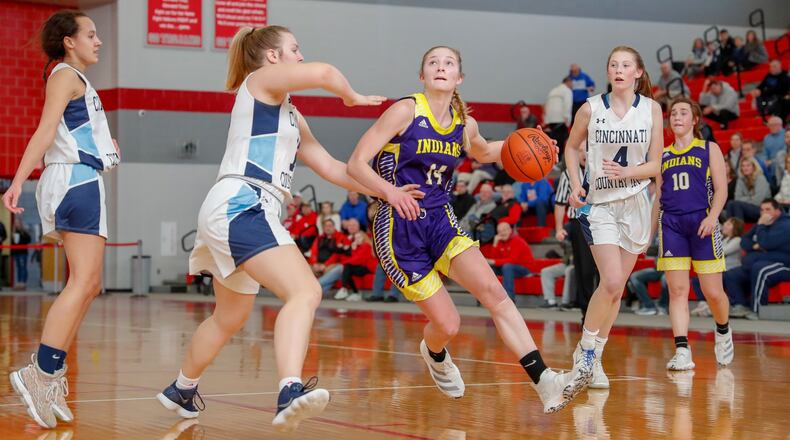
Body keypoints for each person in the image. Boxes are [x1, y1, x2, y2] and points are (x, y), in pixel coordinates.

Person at [153, 25, 422, 433]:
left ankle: (181, 389)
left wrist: (385, 191)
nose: (300, 56)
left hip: (234, 207)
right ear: (273, 57)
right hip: (244, 202)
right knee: (305, 290)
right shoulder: (260, 81)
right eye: (294, 49)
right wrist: (350, 96)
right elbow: (326, 73)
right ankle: (289, 390)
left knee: (228, 318)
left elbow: (333, 168)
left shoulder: (290, 114)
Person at [347, 45, 579, 414]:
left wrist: (538, 147)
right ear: (422, 76)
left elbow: (485, 152)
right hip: (398, 228)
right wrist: (389, 192)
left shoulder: (463, 123)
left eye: (448, 63)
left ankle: (545, 380)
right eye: (433, 62)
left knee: (495, 292)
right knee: (448, 324)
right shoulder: (404, 111)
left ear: (459, 78)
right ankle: (434, 352)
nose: (441, 67)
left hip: (440, 219)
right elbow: (356, 164)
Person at [3, 10, 121, 429]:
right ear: (69, 41)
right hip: (73, 181)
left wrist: (106, 146)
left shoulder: (77, 80)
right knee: (83, 283)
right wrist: (17, 182)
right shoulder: (64, 75)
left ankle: (49, 374)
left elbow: (73, 131)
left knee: (88, 285)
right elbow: (45, 130)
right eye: (91, 34)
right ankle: (39, 372)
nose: (99, 41)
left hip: (82, 178)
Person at [564, 46, 664, 391]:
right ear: (608, 72)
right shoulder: (590, 108)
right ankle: (585, 352)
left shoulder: (652, 110)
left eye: (625, 65)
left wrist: (629, 172)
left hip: (634, 201)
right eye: (613, 65)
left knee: (616, 288)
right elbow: (570, 148)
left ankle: (597, 357)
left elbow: (656, 164)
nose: (618, 70)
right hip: (600, 204)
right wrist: (576, 184)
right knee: (609, 281)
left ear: (638, 72)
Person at [654, 97, 734, 370]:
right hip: (672, 224)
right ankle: (682, 351)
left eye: (683, 112)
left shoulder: (709, 149)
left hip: (702, 222)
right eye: (673, 113)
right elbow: (658, 197)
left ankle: (722, 330)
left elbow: (722, 189)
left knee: (713, 292)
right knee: (677, 290)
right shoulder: (661, 155)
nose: (676, 116)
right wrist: (649, 231)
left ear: (695, 120)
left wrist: (713, 217)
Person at [725, 199, 790, 319]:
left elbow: (766, 243)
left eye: (768, 209)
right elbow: (744, 242)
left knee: (761, 270)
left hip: (784, 264)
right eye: (762, 210)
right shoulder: (763, 224)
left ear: (777, 211)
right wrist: (756, 245)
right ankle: (740, 306)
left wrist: (760, 228)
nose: (764, 213)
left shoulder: (785, 225)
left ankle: (757, 310)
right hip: (764, 261)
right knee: (732, 274)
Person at [554, 148, 598, 320]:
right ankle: (586, 313)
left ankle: (602, 313)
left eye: (587, 149)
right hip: (579, 224)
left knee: (604, 271)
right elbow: (559, 203)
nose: (584, 154)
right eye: (580, 150)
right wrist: (558, 228)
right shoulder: (568, 174)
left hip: (603, 221)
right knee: (584, 270)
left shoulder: (602, 169)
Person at [485, 222, 534, 303]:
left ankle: (509, 299)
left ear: (510, 230)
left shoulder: (517, 240)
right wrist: (495, 243)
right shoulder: (500, 241)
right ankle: (488, 297)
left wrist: (494, 261)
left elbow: (512, 260)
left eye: (504, 230)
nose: (502, 233)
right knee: (490, 268)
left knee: (507, 267)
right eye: (499, 231)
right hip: (508, 267)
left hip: (525, 269)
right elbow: (494, 259)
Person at [725, 157, 771, 222]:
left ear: (754, 167)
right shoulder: (740, 180)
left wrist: (744, 198)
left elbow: (757, 201)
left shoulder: (761, 179)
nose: (745, 168)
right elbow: (737, 198)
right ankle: (729, 229)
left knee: (737, 205)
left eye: (748, 165)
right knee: (730, 203)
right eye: (743, 166)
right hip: (747, 207)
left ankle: (738, 230)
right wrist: (750, 198)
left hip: (762, 209)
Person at [11, 218, 32, 288]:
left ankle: (23, 282)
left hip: (23, 253)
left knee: (23, 267)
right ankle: (19, 282)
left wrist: (23, 233)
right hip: (16, 252)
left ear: (20, 223)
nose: (17, 224)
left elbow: (29, 240)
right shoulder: (14, 232)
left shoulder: (24, 231)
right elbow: (13, 243)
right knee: (18, 267)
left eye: (18, 222)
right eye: (16, 223)